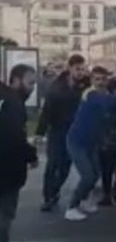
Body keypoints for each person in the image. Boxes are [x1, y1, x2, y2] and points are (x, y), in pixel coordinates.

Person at [65, 66, 116, 222]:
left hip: (91, 143)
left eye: (103, 79)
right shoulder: (91, 94)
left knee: (96, 173)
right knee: (87, 176)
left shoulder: (104, 94)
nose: (100, 82)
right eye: (97, 79)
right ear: (92, 80)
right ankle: (71, 207)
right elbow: (109, 102)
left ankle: (84, 202)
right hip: (77, 142)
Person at [35, 53, 88, 211]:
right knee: (52, 165)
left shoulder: (86, 85)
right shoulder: (57, 86)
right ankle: (48, 197)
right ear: (70, 68)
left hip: (74, 132)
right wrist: (40, 132)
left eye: (83, 69)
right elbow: (47, 111)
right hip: (57, 130)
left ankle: (55, 191)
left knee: (65, 166)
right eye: (78, 69)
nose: (81, 72)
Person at [0, 65, 38, 242]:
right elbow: (15, 137)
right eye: (30, 82)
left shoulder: (6, 99)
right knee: (5, 213)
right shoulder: (13, 104)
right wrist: (30, 155)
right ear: (15, 80)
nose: (32, 88)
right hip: (7, 167)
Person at [98, 76, 116, 206]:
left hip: (108, 140)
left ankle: (109, 193)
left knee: (108, 169)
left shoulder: (107, 100)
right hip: (114, 139)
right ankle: (115, 191)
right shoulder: (114, 101)